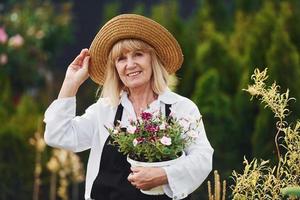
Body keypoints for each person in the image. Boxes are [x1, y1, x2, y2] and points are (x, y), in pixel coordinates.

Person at [44, 14, 213, 200]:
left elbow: (202, 158)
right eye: (121, 59)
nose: (130, 65)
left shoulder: (181, 108)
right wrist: (71, 83)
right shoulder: (105, 110)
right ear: (115, 67)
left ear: (152, 60)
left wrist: (164, 175)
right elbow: (58, 135)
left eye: (138, 54)